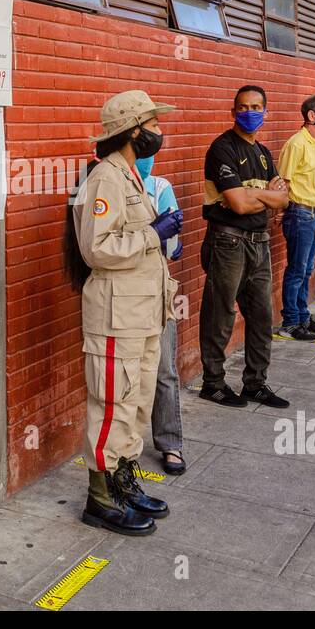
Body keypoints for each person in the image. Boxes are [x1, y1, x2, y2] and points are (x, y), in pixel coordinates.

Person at [66, 90, 179, 536]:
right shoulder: (105, 179)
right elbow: (96, 248)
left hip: (142, 314)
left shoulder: (129, 174)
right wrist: (154, 233)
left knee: (135, 403)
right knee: (112, 405)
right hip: (116, 315)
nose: (158, 132)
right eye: (153, 125)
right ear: (134, 130)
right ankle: (99, 498)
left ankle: (124, 483)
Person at [198, 84, 291, 408]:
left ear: (266, 111)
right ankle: (213, 383)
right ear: (233, 110)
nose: (249, 112)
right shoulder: (222, 149)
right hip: (228, 242)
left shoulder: (264, 154)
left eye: (256, 107)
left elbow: (284, 198)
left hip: (259, 243)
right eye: (243, 107)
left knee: (263, 316)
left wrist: (261, 197)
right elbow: (237, 204)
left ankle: (255, 383)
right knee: (220, 314)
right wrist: (266, 197)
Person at [136, 152, 187, 475]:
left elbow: (173, 246)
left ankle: (170, 444)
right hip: (120, 292)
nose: (147, 158)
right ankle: (125, 448)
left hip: (157, 289)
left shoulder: (159, 186)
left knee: (163, 368)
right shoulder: (102, 183)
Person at [277, 93, 315, 340]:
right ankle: (290, 322)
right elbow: (284, 181)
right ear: (313, 115)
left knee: (307, 268)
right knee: (297, 269)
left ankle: (302, 316)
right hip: (300, 213)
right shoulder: (296, 143)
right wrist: (280, 212)